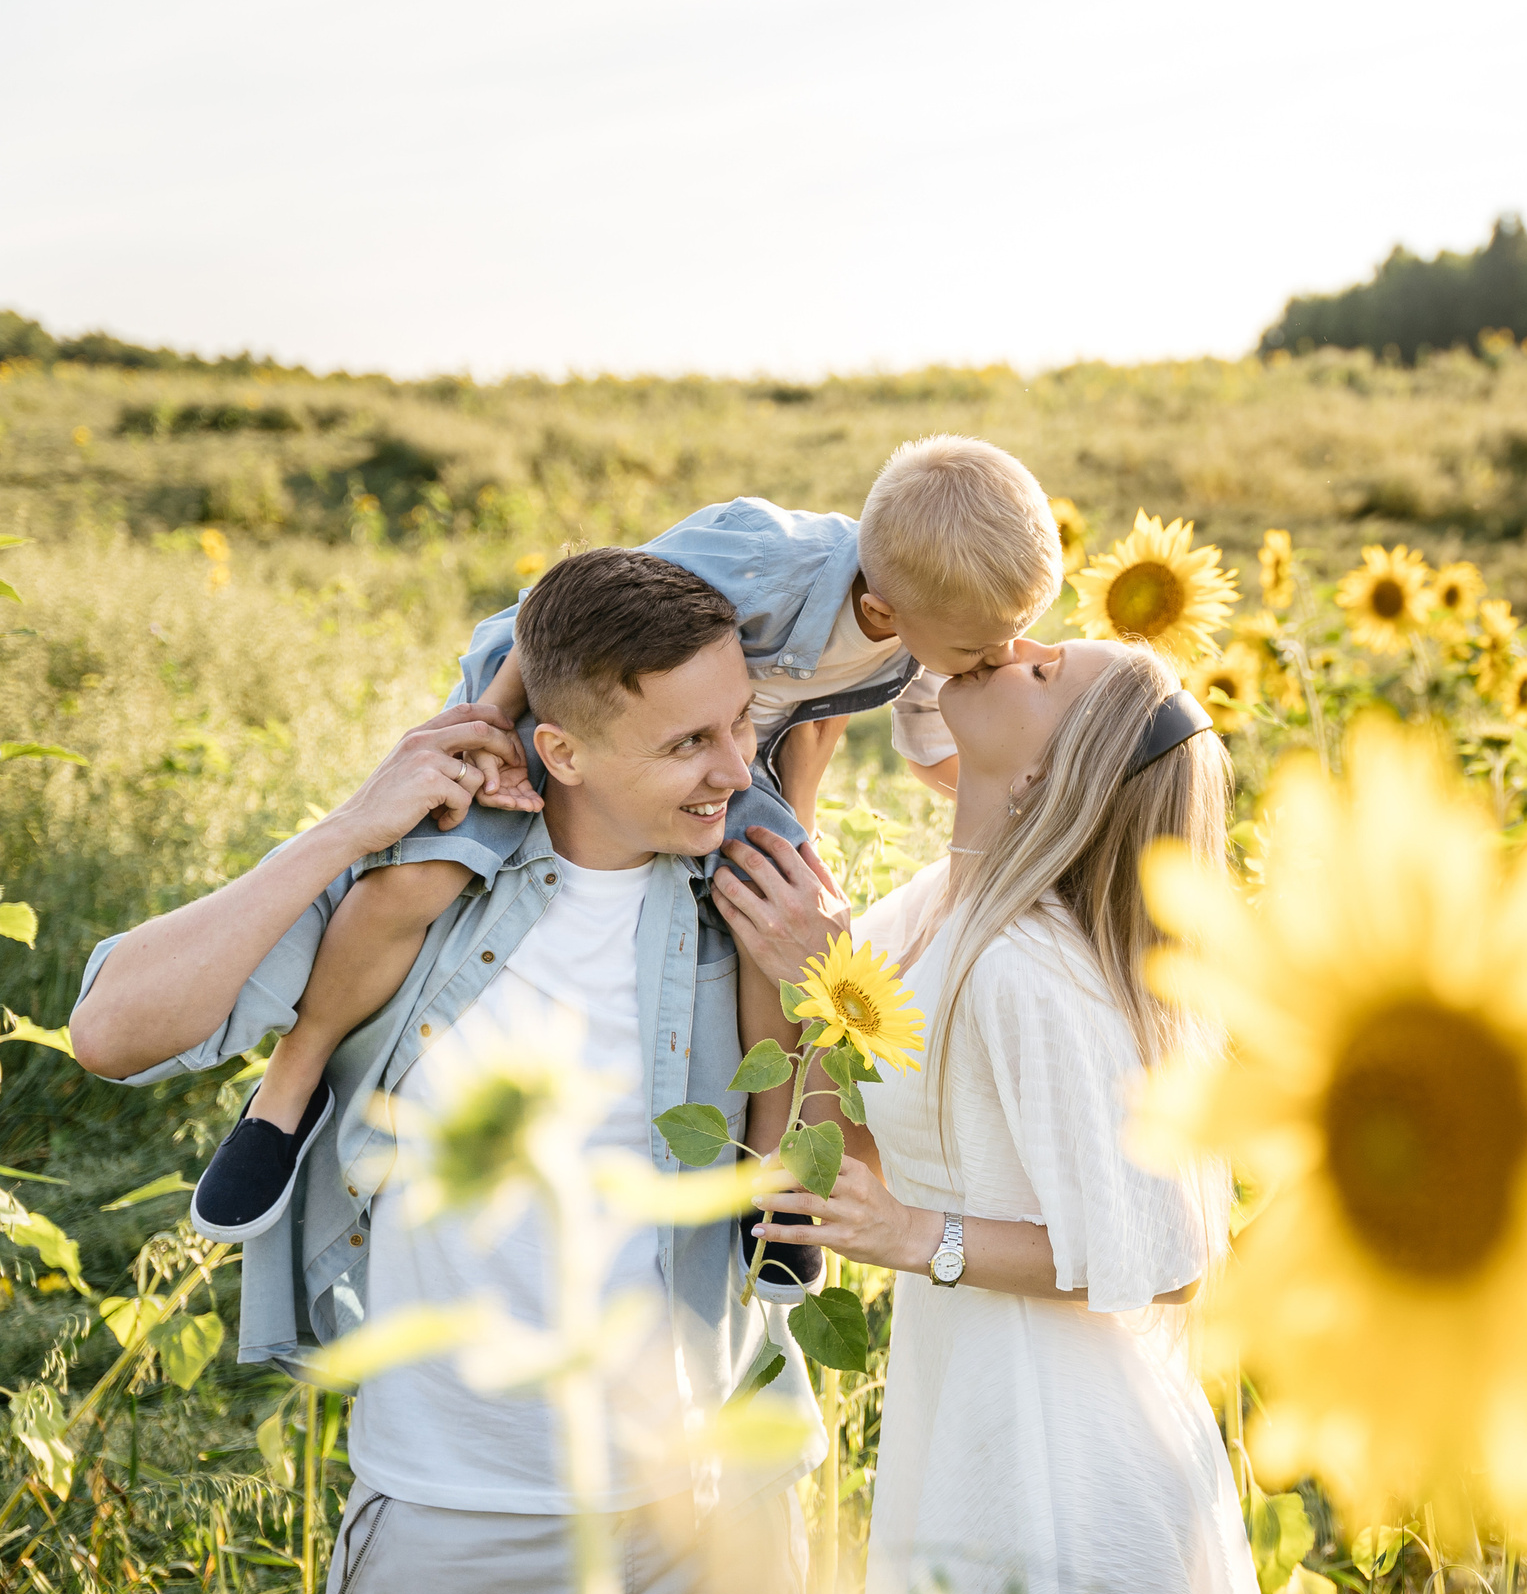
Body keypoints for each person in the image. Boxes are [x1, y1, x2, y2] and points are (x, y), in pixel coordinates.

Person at [70, 549, 822, 1594]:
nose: (738, 769)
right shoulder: (421, 879)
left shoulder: (755, 897)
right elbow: (109, 1031)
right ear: (559, 749)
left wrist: (817, 1002)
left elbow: (824, 1181)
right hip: (454, 1516)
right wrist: (348, 828)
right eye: (689, 742)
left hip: (714, 1506)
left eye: (742, 722)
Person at [185, 435, 1065, 1259]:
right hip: (561, 705)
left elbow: (892, 732)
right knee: (426, 871)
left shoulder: (936, 626)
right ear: (880, 607)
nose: (1001, 656)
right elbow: (571, 608)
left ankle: (777, 1179)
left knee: (778, 905)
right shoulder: (763, 555)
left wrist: (822, 813)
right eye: (980, 647)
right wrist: (493, 719)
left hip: (718, 755)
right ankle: (288, 1093)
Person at [712, 638, 1258, 1594]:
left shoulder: (1035, 965)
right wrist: (799, 891)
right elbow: (842, 1145)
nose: (1021, 646)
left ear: (1053, 769)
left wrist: (916, 1236)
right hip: (969, 1398)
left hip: (1068, 1451)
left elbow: (1167, 1253)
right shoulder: (926, 913)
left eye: (1046, 671)